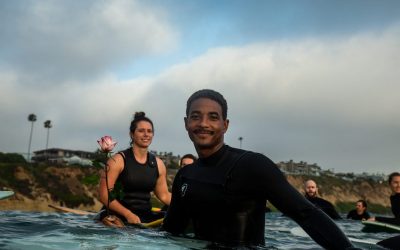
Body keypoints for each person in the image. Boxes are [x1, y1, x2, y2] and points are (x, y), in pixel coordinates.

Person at [163, 89, 354, 249]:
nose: (203, 123)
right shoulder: (185, 176)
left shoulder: (253, 165)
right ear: (186, 123)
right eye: (196, 117)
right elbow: (169, 233)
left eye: (213, 117)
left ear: (225, 125)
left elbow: (306, 214)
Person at [98, 112, 171, 225]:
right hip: (116, 215)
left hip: (144, 215)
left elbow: (164, 195)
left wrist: (190, 205)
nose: (146, 134)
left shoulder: (158, 164)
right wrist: (127, 214)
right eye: (141, 131)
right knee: (114, 223)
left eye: (149, 131)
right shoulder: (117, 160)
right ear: (132, 134)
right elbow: (104, 195)